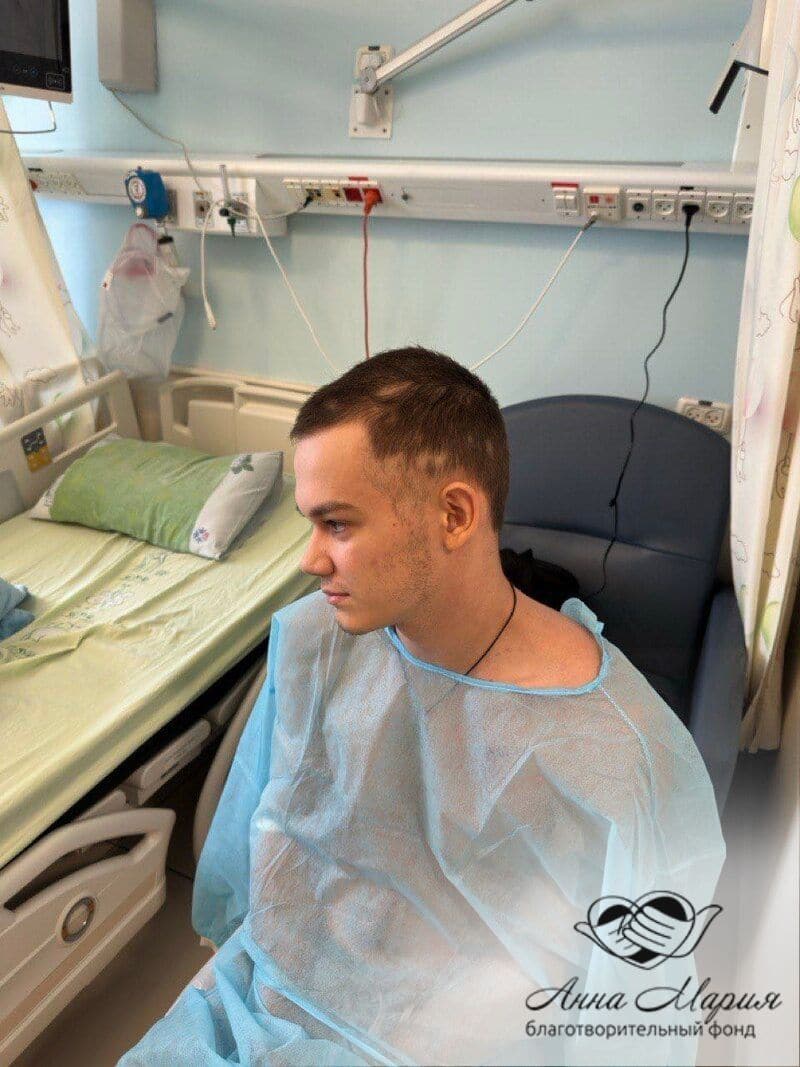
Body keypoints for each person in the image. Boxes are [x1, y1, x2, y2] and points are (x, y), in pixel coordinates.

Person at [119, 347, 725, 1066]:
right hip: (259, 997)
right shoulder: (316, 643)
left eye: (338, 524)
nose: (310, 560)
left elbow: (632, 1018)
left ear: (454, 514)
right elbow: (255, 858)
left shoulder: (623, 758)